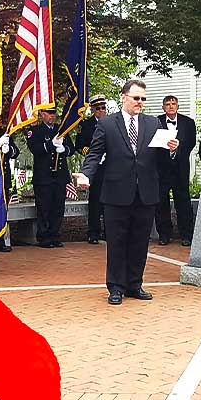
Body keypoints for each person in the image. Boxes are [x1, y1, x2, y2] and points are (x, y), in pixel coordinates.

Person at [75, 79, 178, 306]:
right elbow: (95, 154)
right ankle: (115, 287)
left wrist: (171, 149)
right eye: (136, 98)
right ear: (124, 97)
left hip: (146, 192)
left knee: (140, 241)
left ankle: (134, 284)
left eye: (143, 99)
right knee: (117, 241)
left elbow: (159, 158)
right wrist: (86, 174)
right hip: (116, 193)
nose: (140, 102)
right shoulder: (107, 124)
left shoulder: (153, 124)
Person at [25, 104, 75, 248]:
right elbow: (35, 149)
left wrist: (64, 149)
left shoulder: (62, 129)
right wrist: (51, 146)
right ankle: (44, 236)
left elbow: (71, 149)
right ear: (41, 114)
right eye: (48, 113)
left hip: (59, 175)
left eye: (53, 113)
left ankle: (55, 235)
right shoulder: (35, 130)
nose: (52, 116)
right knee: (44, 207)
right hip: (44, 176)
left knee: (58, 206)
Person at [155, 95, 198, 246]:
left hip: (180, 167)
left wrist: (177, 149)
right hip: (162, 168)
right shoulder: (156, 122)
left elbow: (191, 143)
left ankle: (186, 234)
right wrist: (166, 150)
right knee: (161, 202)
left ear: (178, 106)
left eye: (173, 104)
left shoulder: (188, 122)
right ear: (163, 107)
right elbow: (153, 144)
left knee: (183, 201)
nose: (171, 106)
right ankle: (165, 235)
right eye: (168, 104)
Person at [74, 95, 109, 244]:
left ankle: (109, 232)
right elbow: (79, 144)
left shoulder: (112, 123)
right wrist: (86, 150)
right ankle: (93, 232)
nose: (101, 111)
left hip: (110, 165)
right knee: (95, 200)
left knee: (110, 201)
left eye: (103, 108)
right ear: (93, 109)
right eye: (98, 108)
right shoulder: (86, 125)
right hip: (95, 167)